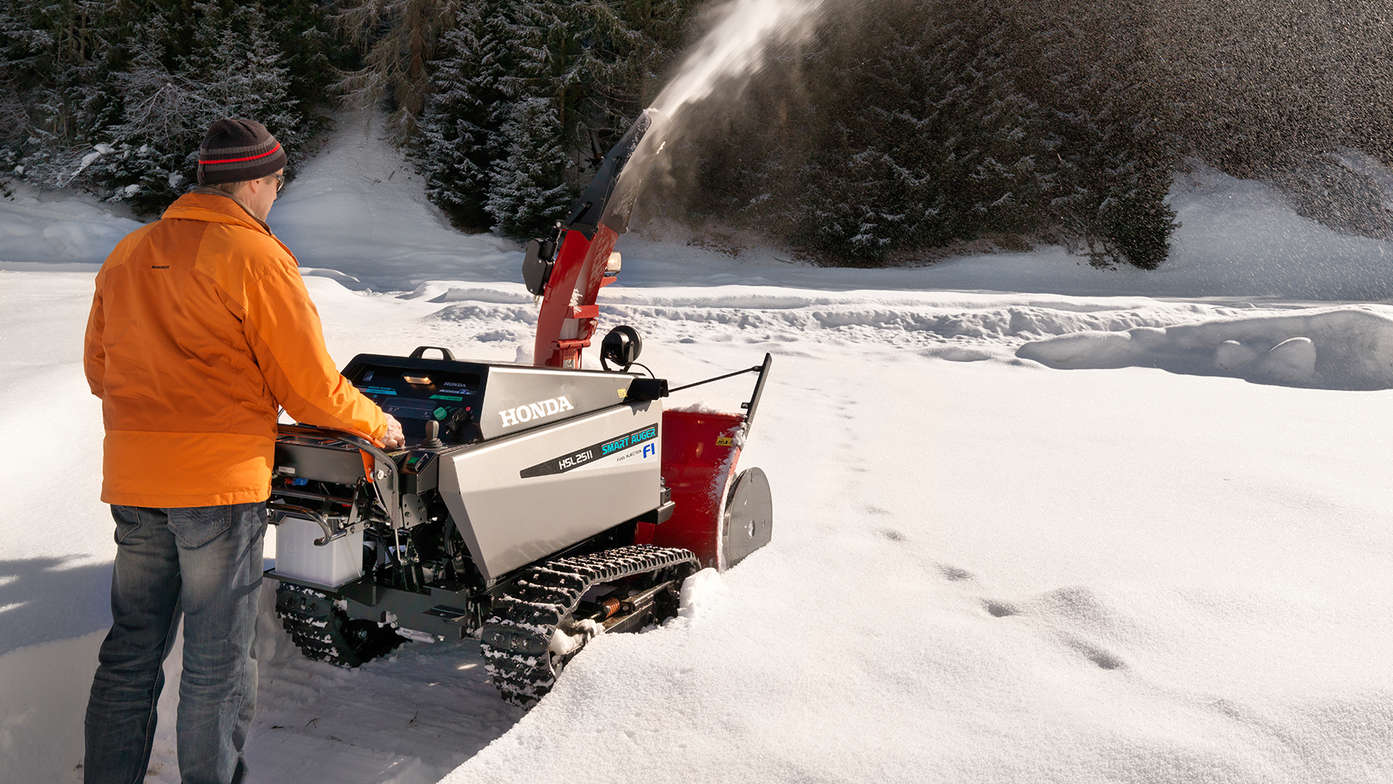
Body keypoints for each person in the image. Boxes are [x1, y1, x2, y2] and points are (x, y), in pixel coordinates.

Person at [81, 117, 404, 784]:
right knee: (216, 661)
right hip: (218, 490)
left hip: (135, 484)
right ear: (256, 181)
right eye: (276, 184)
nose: (274, 197)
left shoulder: (128, 252)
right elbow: (310, 388)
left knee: (130, 653)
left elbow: (98, 373)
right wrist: (376, 423)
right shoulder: (255, 256)